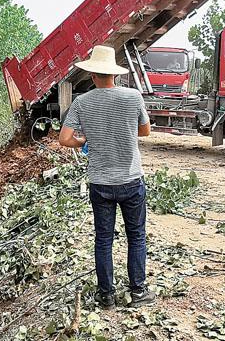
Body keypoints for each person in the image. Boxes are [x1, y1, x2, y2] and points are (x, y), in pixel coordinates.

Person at [58, 45, 155, 310]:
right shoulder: (133, 97)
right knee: (136, 236)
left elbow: (64, 139)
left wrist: (84, 139)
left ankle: (106, 295)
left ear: (92, 75)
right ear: (114, 74)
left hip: (100, 182)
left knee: (103, 239)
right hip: (131, 180)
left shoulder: (82, 102)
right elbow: (144, 132)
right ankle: (138, 292)